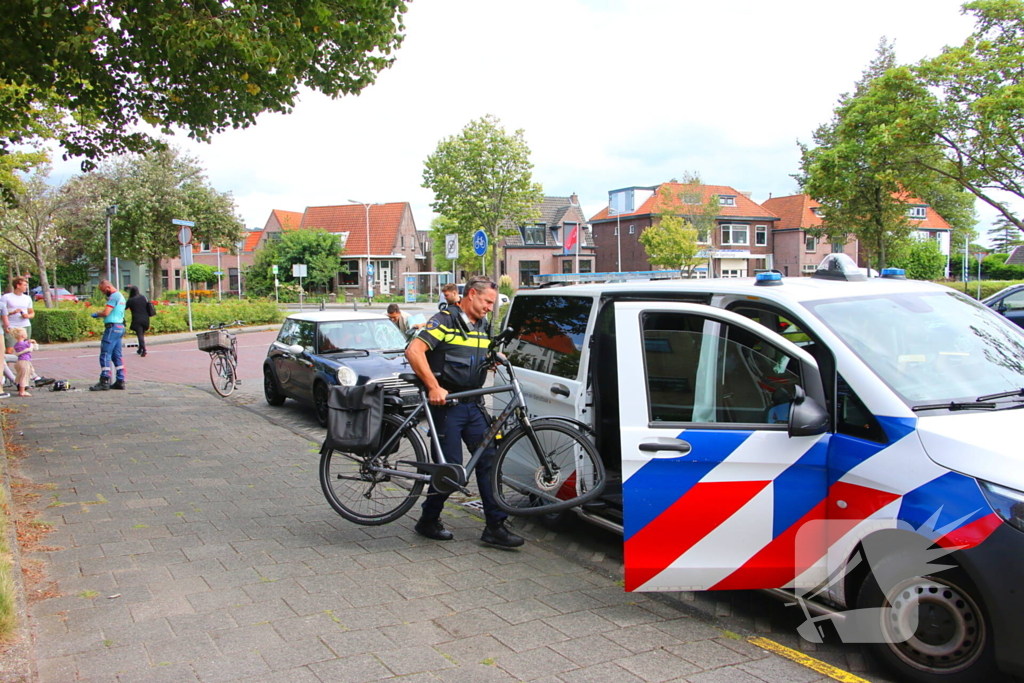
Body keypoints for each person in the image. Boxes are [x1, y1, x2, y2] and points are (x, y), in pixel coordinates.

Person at [405, 275, 523, 548]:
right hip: (447, 406)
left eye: (493, 303)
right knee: (451, 470)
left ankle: (495, 527)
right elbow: (414, 351)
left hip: (474, 404)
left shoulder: (482, 325)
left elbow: (474, 356)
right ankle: (428, 520)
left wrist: (491, 361)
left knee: (488, 460)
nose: (490, 308)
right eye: (487, 302)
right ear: (471, 294)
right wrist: (433, 387)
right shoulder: (445, 320)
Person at [2, 276, 53, 388]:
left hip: (25, 326)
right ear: (18, 285)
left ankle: (25, 376)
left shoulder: (27, 298)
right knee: (9, 350)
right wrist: (12, 313)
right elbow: (2, 312)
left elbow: (32, 312)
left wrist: (28, 316)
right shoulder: (6, 297)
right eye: (24, 285)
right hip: (11, 327)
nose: (26, 287)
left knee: (24, 351)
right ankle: (6, 376)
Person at [89, 280, 127, 391]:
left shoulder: (114, 297)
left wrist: (97, 314)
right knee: (117, 355)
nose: (103, 293)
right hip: (120, 327)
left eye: (103, 291)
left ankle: (104, 380)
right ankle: (120, 380)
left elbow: (106, 312)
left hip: (112, 328)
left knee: (105, 354)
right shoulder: (121, 296)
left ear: (108, 287)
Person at [124, 285, 151, 357]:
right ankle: (140, 349)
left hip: (137, 319)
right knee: (142, 334)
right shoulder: (144, 297)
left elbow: (125, 308)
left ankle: (144, 349)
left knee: (140, 335)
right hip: (145, 318)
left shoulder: (131, 300)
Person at [11, 327, 37, 397]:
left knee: (21, 376)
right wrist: (33, 342)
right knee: (24, 376)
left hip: (19, 361)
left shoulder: (16, 345)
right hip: (25, 361)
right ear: (23, 336)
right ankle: (22, 391)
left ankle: (21, 389)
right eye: (26, 333)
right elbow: (34, 348)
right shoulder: (25, 344)